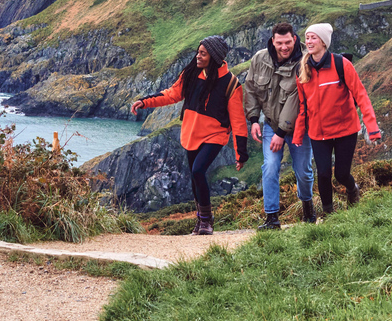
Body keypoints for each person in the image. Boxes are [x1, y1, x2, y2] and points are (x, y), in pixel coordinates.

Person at [131, 35, 248, 235]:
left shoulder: (231, 84)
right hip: (191, 133)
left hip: (215, 135)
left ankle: (206, 221)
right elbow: (171, 94)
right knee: (195, 177)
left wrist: (240, 153)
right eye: (198, 52)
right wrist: (145, 102)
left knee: (198, 171)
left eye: (203, 53)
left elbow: (237, 121)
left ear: (215, 57)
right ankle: (201, 219)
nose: (198, 57)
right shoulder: (191, 74)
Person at [292, 23, 381, 215]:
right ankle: (329, 216)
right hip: (318, 133)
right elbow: (303, 107)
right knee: (323, 174)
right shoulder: (302, 71)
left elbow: (361, 96)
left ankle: (352, 189)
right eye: (307, 38)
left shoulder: (341, 64)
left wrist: (372, 128)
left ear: (324, 42)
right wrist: (298, 135)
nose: (309, 41)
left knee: (341, 174)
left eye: (313, 37)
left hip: (345, 130)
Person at [244, 22, 315, 229]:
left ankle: (308, 208)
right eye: (279, 43)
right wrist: (253, 120)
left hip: (299, 128)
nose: (284, 47)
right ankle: (272, 219)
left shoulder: (304, 62)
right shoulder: (259, 59)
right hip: (270, 125)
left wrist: (281, 132)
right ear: (272, 41)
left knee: (303, 170)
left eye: (288, 42)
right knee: (270, 168)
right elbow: (250, 89)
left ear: (294, 39)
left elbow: (296, 99)